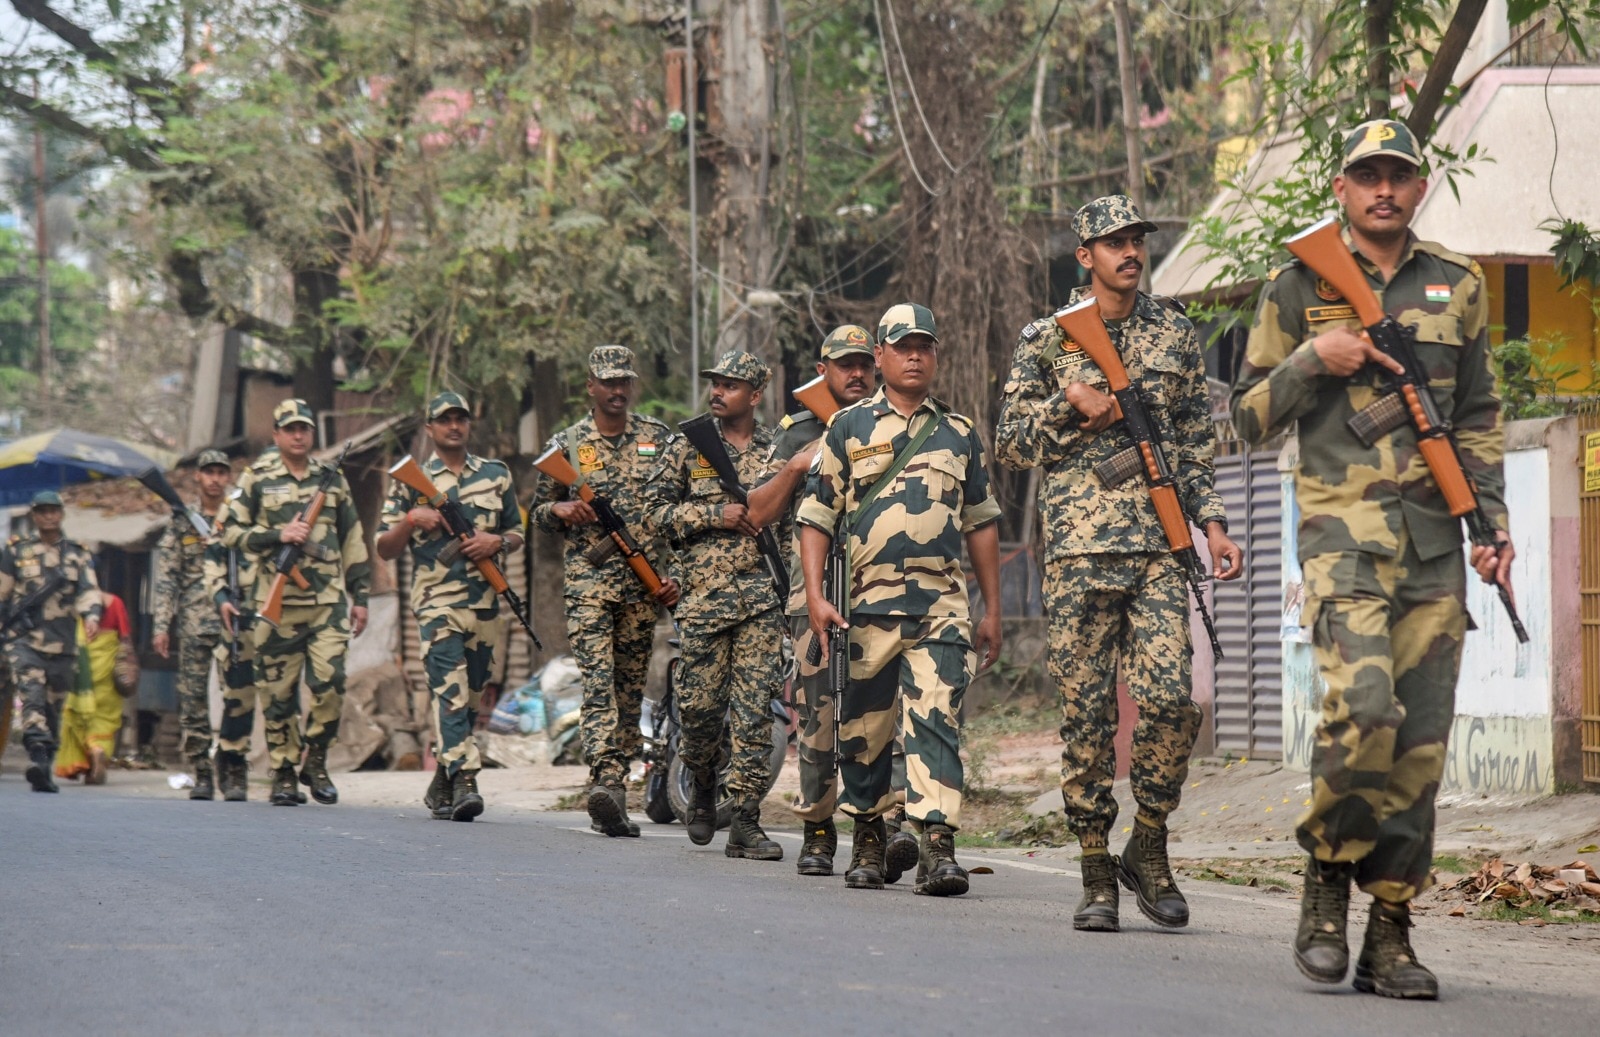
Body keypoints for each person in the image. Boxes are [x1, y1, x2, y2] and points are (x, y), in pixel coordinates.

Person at [1231, 120, 1511, 1000]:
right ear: (1342, 189)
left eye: (1398, 175)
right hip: (1341, 542)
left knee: (1421, 744)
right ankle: (1325, 875)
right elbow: (1245, 416)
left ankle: (1390, 930)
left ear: (1419, 187)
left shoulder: (1458, 285)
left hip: (1434, 546)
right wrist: (1318, 356)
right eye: (1366, 176)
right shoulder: (1296, 285)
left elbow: (1477, 417)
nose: (1383, 189)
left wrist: (1491, 529)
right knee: (1364, 710)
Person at [997, 194, 1243, 930]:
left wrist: (1215, 523)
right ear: (1085, 255)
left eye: (1136, 239)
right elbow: (1010, 443)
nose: (1128, 251)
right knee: (1087, 717)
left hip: (1162, 549)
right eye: (1113, 241)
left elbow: (1195, 440)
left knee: (1174, 702)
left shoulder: (1174, 332)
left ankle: (1151, 843)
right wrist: (1069, 404)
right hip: (1078, 554)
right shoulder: (1047, 339)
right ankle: (1095, 871)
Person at [798, 302, 1004, 897]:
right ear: (881, 356)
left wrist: (991, 610)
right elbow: (816, 517)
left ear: (936, 355)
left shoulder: (958, 432)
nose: (915, 356)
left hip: (940, 606)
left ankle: (939, 848)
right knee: (865, 728)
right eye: (903, 346)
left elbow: (981, 522)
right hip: (862, 607)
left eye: (925, 346)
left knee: (936, 722)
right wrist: (815, 597)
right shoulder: (848, 428)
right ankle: (867, 835)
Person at [745, 325, 908, 879]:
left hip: (879, 591)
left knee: (882, 715)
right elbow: (757, 514)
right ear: (825, 369)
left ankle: (878, 828)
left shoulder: (897, 423)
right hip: (812, 593)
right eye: (845, 365)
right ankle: (817, 831)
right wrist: (798, 464)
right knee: (818, 717)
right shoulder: (795, 432)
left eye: (865, 363)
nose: (857, 374)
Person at [531, 346, 679, 838]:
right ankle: (607, 783)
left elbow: (675, 507)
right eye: (607, 382)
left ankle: (617, 780)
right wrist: (560, 512)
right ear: (590, 386)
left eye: (624, 382)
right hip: (589, 585)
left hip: (642, 586)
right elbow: (537, 512)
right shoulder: (567, 446)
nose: (617, 390)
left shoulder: (657, 438)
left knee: (628, 687)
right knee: (598, 684)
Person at [644, 350, 787, 861]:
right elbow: (655, 513)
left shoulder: (778, 448)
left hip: (761, 601)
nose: (718, 392)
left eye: (730, 384)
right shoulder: (686, 446)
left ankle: (745, 820)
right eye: (715, 383)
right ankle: (702, 780)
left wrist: (791, 588)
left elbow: (792, 523)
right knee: (700, 716)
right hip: (703, 604)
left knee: (754, 715)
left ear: (755, 394)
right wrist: (715, 515)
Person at [376, 391, 525, 821]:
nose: (454, 426)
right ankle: (465, 780)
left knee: (471, 697)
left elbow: (517, 530)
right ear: (430, 429)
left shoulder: (496, 475)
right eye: (445, 420)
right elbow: (384, 549)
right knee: (451, 690)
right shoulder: (410, 481)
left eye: (460, 418)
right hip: (436, 602)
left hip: (483, 602)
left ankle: (441, 779)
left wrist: (497, 541)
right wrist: (410, 519)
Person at [220, 399, 371, 807]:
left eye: (305, 427)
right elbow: (229, 531)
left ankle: (316, 760)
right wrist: (276, 536)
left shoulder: (331, 479)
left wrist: (361, 597)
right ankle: (284, 772)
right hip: (276, 606)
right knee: (278, 694)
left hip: (327, 604)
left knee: (331, 684)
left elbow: (353, 539)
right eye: (290, 429)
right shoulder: (256, 478)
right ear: (277, 435)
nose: (299, 434)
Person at [0, 490, 102, 793]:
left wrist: (92, 615)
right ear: (34, 515)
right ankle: (37, 755)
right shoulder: (17, 551)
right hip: (24, 640)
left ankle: (44, 763)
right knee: (31, 697)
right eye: (42, 511)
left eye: (53, 510)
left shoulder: (78, 553)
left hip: (63, 644)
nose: (48, 516)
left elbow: (88, 589)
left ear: (61, 514)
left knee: (54, 706)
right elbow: (3, 591)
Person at [150, 449, 234, 799]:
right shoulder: (183, 520)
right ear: (197, 477)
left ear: (227, 477)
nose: (215, 478)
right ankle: (202, 772)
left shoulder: (240, 516)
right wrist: (161, 624)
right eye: (208, 472)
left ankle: (233, 770)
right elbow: (167, 575)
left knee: (237, 698)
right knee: (193, 700)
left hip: (233, 619)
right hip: (193, 621)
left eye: (221, 472)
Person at [56, 593, 133, 784]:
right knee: (104, 717)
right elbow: (125, 635)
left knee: (80, 715)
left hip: (83, 669)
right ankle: (98, 749)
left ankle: (88, 756)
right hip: (107, 668)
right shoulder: (115, 602)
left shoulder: (76, 601)